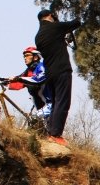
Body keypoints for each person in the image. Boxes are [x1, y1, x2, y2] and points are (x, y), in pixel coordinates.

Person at [34, 8, 81, 145]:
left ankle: (51, 132)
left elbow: (55, 44)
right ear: (50, 16)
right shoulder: (55, 27)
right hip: (62, 70)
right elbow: (76, 23)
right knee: (63, 101)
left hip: (49, 74)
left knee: (55, 103)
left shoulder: (39, 36)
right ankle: (56, 134)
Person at [8, 46, 52, 118]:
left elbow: (37, 80)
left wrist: (19, 79)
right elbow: (16, 82)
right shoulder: (29, 70)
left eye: (27, 55)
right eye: (24, 56)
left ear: (35, 57)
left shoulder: (42, 67)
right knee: (36, 124)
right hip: (41, 106)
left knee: (34, 119)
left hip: (51, 105)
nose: (25, 58)